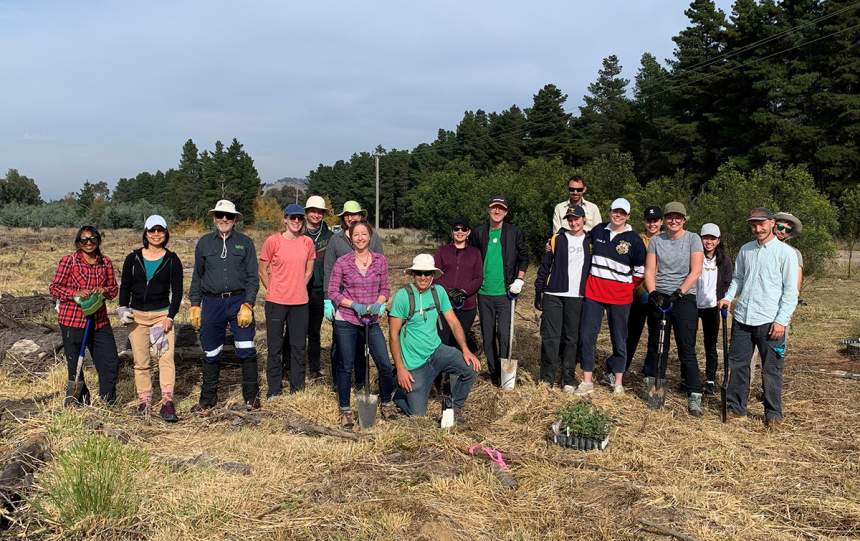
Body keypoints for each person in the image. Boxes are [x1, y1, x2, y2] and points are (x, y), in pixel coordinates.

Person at [718, 208, 798, 427]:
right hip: (743, 317)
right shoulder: (746, 250)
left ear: (772, 223)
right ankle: (737, 409)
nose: (757, 228)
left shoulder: (786, 254)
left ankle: (773, 414)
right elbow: (738, 278)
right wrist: (728, 297)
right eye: (753, 224)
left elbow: (791, 292)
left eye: (761, 223)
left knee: (771, 369)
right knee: (739, 364)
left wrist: (781, 320)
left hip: (770, 321)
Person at [188, 200, 260, 411]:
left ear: (235, 219)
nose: (224, 219)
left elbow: (252, 278)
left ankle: (251, 397)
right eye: (220, 215)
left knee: (246, 348)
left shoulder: (245, 243)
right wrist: (195, 304)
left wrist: (248, 303)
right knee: (211, 351)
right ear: (214, 218)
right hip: (212, 303)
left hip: (239, 302)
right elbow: (197, 277)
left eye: (228, 216)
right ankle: (207, 399)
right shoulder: (204, 243)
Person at [389, 254, 480, 420]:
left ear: (433, 275)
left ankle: (454, 409)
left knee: (471, 368)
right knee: (418, 414)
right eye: (419, 273)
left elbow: (453, 322)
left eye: (427, 273)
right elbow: (393, 335)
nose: (423, 277)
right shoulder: (403, 296)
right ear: (413, 274)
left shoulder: (439, 292)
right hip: (414, 361)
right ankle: (400, 395)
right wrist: (400, 368)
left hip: (437, 351)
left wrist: (466, 350)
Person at [327, 221, 395, 428]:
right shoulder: (343, 262)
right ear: (350, 237)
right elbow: (333, 291)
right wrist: (353, 305)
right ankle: (345, 409)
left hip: (371, 320)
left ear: (370, 236)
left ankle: (386, 402)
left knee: (383, 363)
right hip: (347, 320)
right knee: (346, 365)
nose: (360, 238)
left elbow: (385, 289)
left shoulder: (380, 261)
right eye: (356, 235)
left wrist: (378, 303)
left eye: (364, 234)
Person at [576, 198, 646, 396]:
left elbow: (640, 272)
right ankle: (587, 380)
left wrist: (625, 287)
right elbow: (578, 238)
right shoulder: (598, 231)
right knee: (587, 336)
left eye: (622, 213)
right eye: (616, 211)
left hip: (620, 297)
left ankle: (618, 383)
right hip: (594, 293)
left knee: (619, 339)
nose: (618, 215)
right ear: (610, 212)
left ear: (628, 216)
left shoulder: (634, 240)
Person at [118, 215, 183, 422]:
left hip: (161, 317)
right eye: (152, 230)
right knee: (141, 361)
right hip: (137, 317)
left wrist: (170, 317)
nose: (156, 234)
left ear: (166, 233)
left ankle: (167, 402)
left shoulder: (172, 259)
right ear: (145, 233)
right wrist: (122, 308)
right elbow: (126, 286)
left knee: (165, 359)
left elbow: (178, 291)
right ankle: (144, 401)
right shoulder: (133, 258)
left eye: (160, 230)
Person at [643, 201, 705, 416]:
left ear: (684, 219)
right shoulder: (656, 241)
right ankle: (655, 390)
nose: (673, 220)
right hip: (660, 297)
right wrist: (653, 293)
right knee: (658, 345)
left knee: (686, 347)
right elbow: (650, 270)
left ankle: (694, 393)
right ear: (665, 220)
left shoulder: (692, 239)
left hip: (684, 297)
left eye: (678, 217)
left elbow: (696, 271)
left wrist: (679, 292)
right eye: (670, 217)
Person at [49, 226, 120, 405]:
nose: (89, 243)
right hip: (73, 319)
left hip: (99, 321)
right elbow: (55, 288)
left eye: (92, 239)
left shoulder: (105, 262)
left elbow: (113, 290)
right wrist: (76, 293)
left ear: (98, 240)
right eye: (84, 240)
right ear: (78, 243)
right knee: (76, 365)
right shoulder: (69, 261)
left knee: (110, 362)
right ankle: (79, 400)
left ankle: (108, 402)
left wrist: (104, 290)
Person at [323, 200, 384, 389]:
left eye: (354, 214)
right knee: (340, 345)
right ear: (343, 218)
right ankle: (339, 383)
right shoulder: (336, 240)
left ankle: (360, 382)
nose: (350, 217)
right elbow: (328, 269)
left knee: (362, 345)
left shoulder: (372, 238)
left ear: (360, 217)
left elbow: (380, 267)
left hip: (367, 301)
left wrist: (380, 300)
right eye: (347, 215)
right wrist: (328, 300)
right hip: (342, 301)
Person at [470, 196, 528, 386]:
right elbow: (472, 257)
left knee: (504, 334)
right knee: (488, 336)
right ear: (489, 210)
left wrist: (519, 279)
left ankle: (506, 375)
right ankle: (494, 373)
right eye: (494, 208)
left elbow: (523, 257)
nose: (497, 211)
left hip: (506, 293)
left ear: (506, 212)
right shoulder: (479, 233)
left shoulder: (514, 232)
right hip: (484, 293)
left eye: (501, 208)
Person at [260, 203, 316, 397]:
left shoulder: (307, 243)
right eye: (293, 218)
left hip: (300, 302)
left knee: (298, 346)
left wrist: (300, 284)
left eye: (300, 218)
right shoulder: (273, 241)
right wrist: (273, 288)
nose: (296, 221)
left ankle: (297, 388)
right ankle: (274, 389)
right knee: (275, 347)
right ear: (285, 219)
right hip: (276, 302)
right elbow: (263, 268)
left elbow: (309, 268)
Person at [534, 205, 591, 390]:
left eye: (577, 219)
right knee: (550, 337)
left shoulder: (591, 242)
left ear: (584, 220)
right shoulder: (556, 239)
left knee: (571, 338)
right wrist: (538, 290)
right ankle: (547, 378)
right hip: (554, 294)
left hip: (578, 296)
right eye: (570, 219)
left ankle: (568, 378)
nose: (573, 222)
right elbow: (544, 266)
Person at [433, 217, 483, 349]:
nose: (460, 232)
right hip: (445, 304)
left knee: (458, 341)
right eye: (456, 229)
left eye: (463, 229)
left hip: (467, 306)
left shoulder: (475, 252)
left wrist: (464, 291)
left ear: (468, 232)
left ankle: (455, 368)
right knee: (442, 340)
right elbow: (436, 274)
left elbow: (478, 278)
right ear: (452, 232)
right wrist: (448, 291)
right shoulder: (442, 251)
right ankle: (441, 368)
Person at [695, 223, 733, 396]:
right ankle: (688, 376)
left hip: (712, 307)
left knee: (710, 344)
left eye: (712, 238)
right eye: (705, 238)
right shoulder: (694, 255)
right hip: (693, 304)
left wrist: (723, 299)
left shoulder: (724, 260)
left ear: (718, 240)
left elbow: (728, 282)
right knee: (687, 342)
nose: (708, 242)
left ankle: (710, 379)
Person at [626, 206, 663, 372]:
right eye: (649, 220)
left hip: (659, 293)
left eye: (655, 221)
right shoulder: (636, 240)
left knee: (655, 335)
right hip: (638, 293)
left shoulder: (667, 240)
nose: (652, 224)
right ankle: (621, 367)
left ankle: (650, 371)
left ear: (661, 222)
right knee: (632, 333)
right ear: (644, 222)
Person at [302, 195, 334, 379]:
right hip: (298, 290)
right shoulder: (298, 233)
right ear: (306, 213)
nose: (316, 214)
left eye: (319, 212)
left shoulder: (329, 237)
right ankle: (288, 366)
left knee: (314, 330)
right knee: (294, 330)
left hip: (319, 290)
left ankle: (314, 368)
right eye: (312, 211)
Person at [773, 212, 803, 294]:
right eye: (780, 227)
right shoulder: (756, 248)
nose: (783, 231)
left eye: (788, 229)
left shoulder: (795, 252)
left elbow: (797, 281)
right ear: (773, 225)